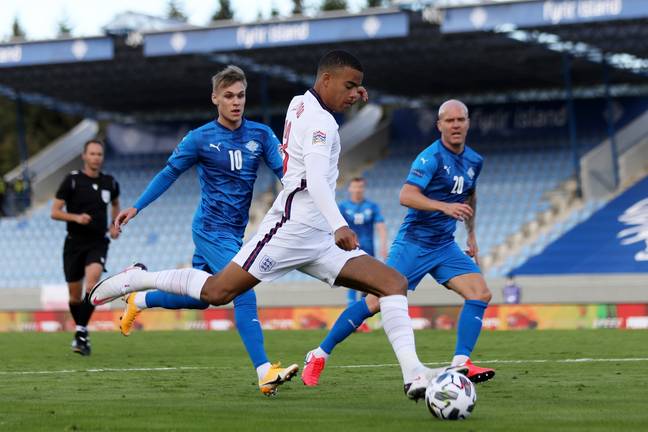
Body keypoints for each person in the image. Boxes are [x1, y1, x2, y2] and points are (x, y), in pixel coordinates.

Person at [90, 50, 466, 402]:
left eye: (357, 86)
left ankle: (414, 374)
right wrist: (340, 224)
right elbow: (316, 181)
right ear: (328, 80)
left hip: (317, 238)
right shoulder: (321, 124)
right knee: (221, 293)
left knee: (393, 283)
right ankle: (138, 280)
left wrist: (349, 93)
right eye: (349, 86)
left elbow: (303, 149)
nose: (354, 93)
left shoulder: (300, 103)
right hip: (288, 231)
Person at [113, 65, 297, 396]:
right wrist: (137, 206)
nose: (236, 102)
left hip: (234, 232)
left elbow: (287, 174)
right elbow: (169, 173)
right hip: (209, 229)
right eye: (228, 96)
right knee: (243, 289)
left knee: (203, 300)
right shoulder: (199, 138)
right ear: (215, 98)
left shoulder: (261, 135)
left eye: (240, 95)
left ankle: (139, 299)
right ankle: (264, 371)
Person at [300, 99, 496, 387]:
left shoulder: (474, 161)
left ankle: (461, 363)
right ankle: (319, 354)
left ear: (467, 123)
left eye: (460, 120)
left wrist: (471, 235)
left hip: (444, 245)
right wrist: (443, 207)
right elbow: (406, 195)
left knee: (480, 293)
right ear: (439, 125)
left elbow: (470, 196)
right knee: (373, 303)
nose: (455, 125)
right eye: (449, 120)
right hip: (414, 244)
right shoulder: (430, 158)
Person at [51, 139, 120, 356]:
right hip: (74, 243)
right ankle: (82, 334)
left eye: (99, 154)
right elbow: (54, 211)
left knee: (92, 285)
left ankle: (80, 331)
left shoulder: (110, 182)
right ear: (84, 156)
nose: (96, 158)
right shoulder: (71, 180)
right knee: (74, 297)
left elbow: (116, 205)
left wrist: (114, 224)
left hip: (98, 242)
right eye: (92, 154)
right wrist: (76, 218)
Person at [338, 177, 387, 307]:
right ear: (350, 188)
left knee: (369, 283)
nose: (357, 190)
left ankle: (365, 315)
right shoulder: (343, 207)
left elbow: (380, 225)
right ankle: (351, 312)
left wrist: (384, 245)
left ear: (363, 189)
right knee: (352, 280)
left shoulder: (372, 206)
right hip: (350, 249)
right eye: (355, 187)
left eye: (360, 187)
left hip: (368, 250)